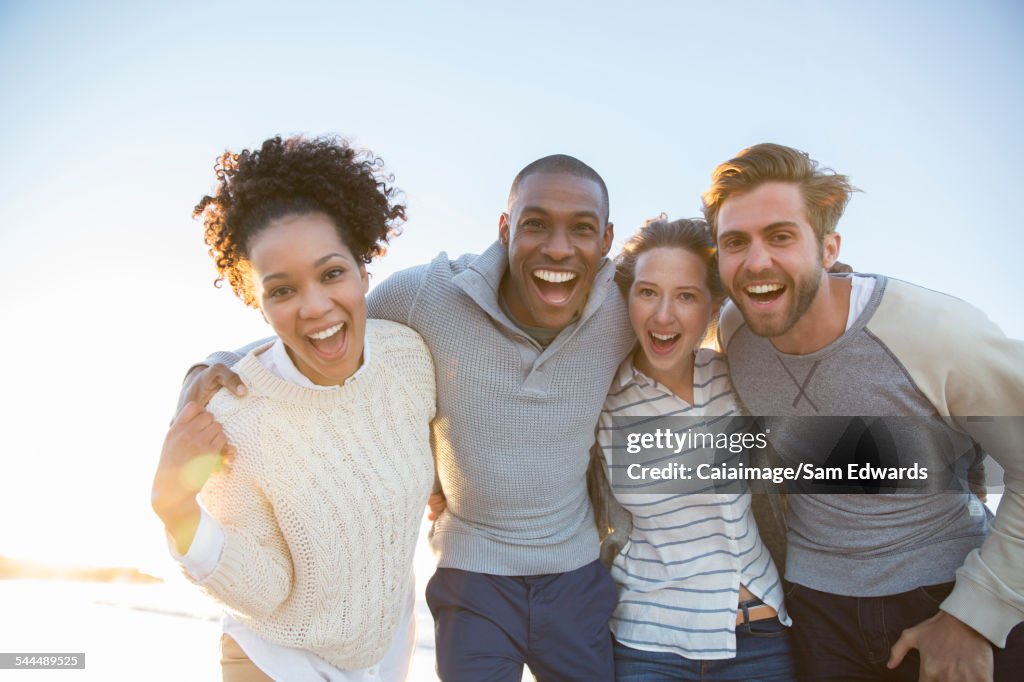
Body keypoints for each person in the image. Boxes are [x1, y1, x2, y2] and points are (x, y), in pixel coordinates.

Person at [183, 154, 638, 681]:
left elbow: (699, 322)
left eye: (580, 229)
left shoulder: (625, 309)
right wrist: (214, 363)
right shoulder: (430, 295)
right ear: (505, 229)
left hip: (575, 573)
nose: (557, 248)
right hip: (473, 573)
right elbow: (327, 325)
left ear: (606, 240)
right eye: (535, 223)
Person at [703, 142, 1024, 681]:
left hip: (948, 590)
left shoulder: (934, 332)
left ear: (829, 248)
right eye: (736, 242)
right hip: (817, 611)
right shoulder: (735, 331)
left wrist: (974, 616)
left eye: (781, 236)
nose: (757, 261)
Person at [151, 136, 436, 681]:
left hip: (382, 660)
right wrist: (175, 507)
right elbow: (265, 587)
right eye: (282, 291)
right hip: (276, 663)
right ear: (257, 302)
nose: (314, 306)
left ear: (363, 271)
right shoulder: (239, 418)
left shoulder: (408, 358)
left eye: (332, 274)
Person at [596, 216, 795, 680]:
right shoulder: (602, 397)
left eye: (686, 295)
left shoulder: (740, 376)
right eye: (647, 292)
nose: (663, 316)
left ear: (713, 304)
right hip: (648, 644)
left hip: (760, 637)